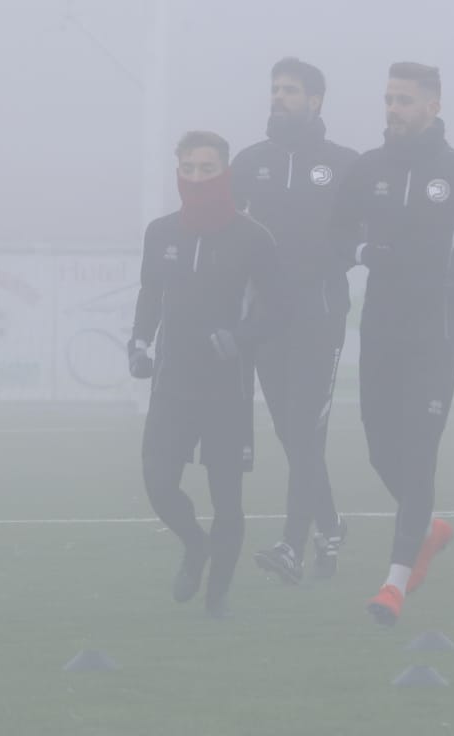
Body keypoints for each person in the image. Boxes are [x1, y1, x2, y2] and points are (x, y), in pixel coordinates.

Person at [331, 62, 454, 625]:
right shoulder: (367, 171)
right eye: (389, 99)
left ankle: (392, 585)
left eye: (406, 100)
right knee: (379, 451)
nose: (394, 109)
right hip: (381, 329)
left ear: (433, 107)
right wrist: (364, 254)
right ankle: (429, 528)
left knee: (418, 454)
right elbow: (337, 235)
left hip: (436, 333)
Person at [127, 131, 287, 617]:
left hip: (226, 386)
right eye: (189, 168)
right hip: (173, 382)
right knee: (157, 481)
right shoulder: (161, 233)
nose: (197, 177)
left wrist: (240, 338)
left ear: (225, 173)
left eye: (207, 168)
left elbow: (277, 309)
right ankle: (195, 545)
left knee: (227, 499)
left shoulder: (253, 237)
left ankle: (216, 598)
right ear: (179, 172)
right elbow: (150, 294)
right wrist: (138, 343)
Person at [230, 58, 359, 584]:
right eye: (275, 89)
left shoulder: (344, 164)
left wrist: (321, 263)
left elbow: (360, 239)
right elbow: (226, 234)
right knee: (291, 432)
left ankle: (292, 545)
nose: (279, 97)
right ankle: (329, 524)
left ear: (316, 100)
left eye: (290, 90)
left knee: (306, 429)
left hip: (318, 316)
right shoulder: (249, 161)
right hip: (266, 321)